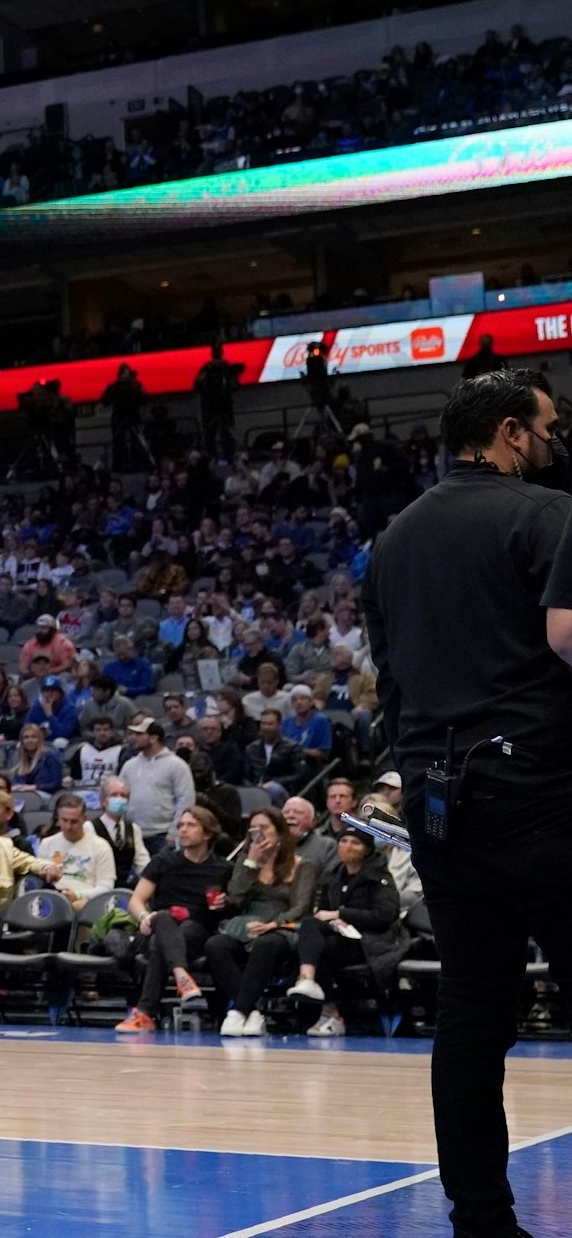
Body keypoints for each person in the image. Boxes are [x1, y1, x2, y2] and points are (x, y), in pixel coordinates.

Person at [368, 368, 572, 1238]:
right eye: (549, 428)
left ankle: (481, 1223)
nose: (556, 443)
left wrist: (417, 777)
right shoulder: (548, 512)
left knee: (472, 1019)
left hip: (440, 806)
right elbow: (568, 636)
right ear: (510, 432)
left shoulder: (392, 540)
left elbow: (390, 683)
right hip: (543, 795)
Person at [204, 808, 318, 1037]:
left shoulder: (302, 865)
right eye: (253, 829)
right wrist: (251, 864)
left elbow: (301, 907)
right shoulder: (246, 861)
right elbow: (236, 898)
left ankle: (238, 1012)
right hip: (246, 924)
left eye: (264, 828)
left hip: (283, 926)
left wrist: (274, 924)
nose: (258, 834)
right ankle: (252, 1011)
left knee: (267, 944)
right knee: (215, 945)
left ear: (280, 832)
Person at [290, 825, 410, 1039]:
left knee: (317, 948)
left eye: (355, 843)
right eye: (343, 841)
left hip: (373, 942)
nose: (348, 847)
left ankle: (324, 1004)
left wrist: (342, 914)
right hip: (341, 936)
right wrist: (335, 919)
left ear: (367, 849)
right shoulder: (333, 875)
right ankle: (315, 992)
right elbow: (322, 911)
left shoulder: (379, 876)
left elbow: (384, 916)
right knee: (312, 933)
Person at [114, 806, 227, 1033]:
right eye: (180, 825)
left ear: (207, 833)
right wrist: (144, 916)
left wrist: (226, 902)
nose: (183, 830)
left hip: (197, 933)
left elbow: (234, 905)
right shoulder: (163, 862)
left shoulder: (223, 868)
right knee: (163, 918)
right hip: (158, 927)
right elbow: (136, 900)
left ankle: (145, 1014)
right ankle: (181, 976)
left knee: (170, 938)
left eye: (190, 825)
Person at [119, 716, 195, 848]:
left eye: (139, 734)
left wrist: (175, 831)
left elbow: (186, 800)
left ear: (153, 738)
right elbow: (120, 796)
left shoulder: (177, 765)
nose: (134, 738)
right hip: (133, 833)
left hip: (163, 835)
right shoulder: (129, 766)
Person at [31, 793, 115, 907]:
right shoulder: (47, 843)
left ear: (84, 819)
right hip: (53, 899)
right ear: (58, 818)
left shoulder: (101, 846)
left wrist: (78, 895)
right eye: (64, 820)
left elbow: (106, 887)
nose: (68, 826)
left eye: (74, 821)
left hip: (86, 901)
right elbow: (39, 880)